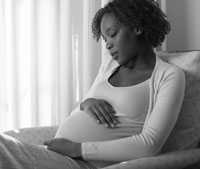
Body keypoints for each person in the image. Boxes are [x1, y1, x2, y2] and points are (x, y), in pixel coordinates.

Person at [0, 0, 185, 169]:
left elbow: (149, 145)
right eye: (105, 39)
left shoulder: (168, 75)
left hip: (81, 162)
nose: (108, 45)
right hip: (57, 156)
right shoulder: (110, 67)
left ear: (137, 27)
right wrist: (86, 103)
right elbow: (83, 107)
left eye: (112, 34)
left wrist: (79, 149)